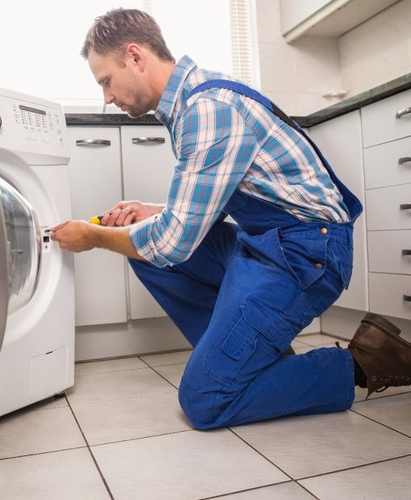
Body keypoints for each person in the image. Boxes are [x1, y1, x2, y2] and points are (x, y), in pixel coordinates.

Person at [51, 8, 411, 429]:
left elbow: (172, 243)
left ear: (134, 55)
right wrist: (157, 212)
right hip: (265, 241)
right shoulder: (191, 102)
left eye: (106, 81)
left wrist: (92, 237)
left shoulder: (207, 109)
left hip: (308, 252)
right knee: (143, 248)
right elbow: (219, 198)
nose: (106, 98)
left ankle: (364, 361)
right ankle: (257, 356)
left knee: (205, 400)